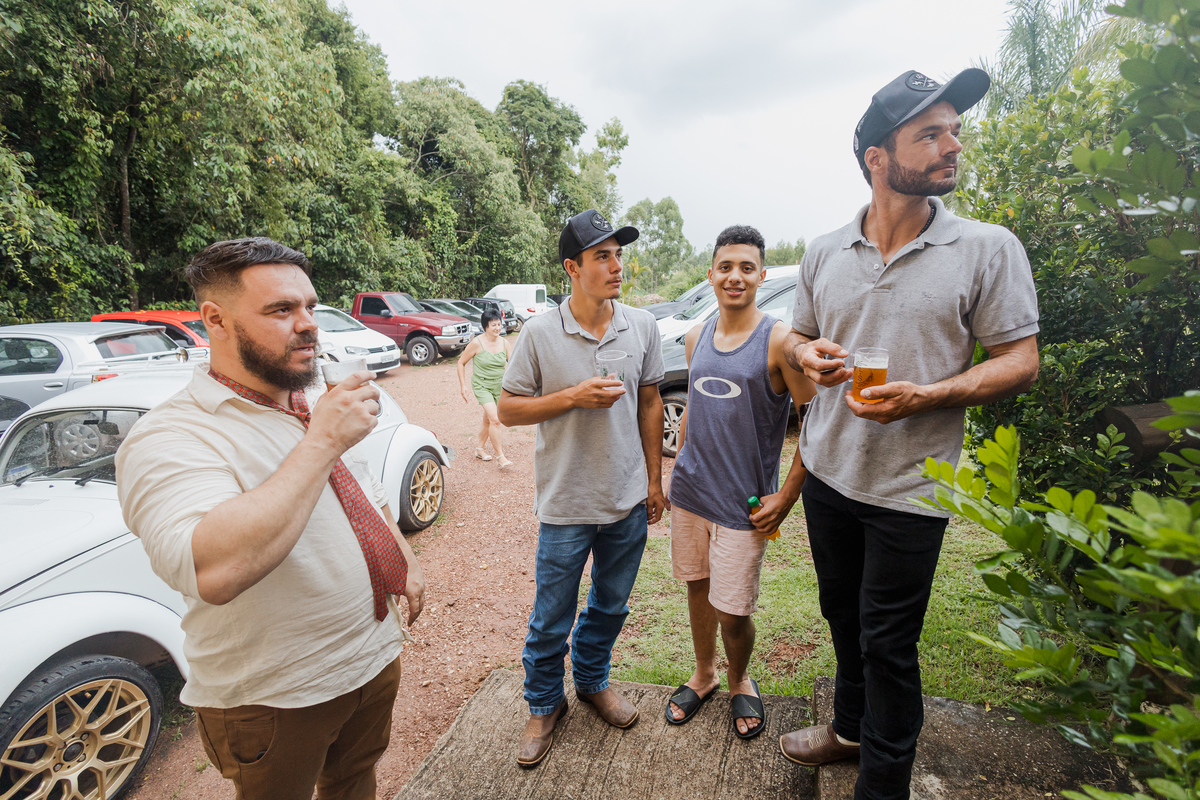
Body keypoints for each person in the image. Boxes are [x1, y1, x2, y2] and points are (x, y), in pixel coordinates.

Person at [777, 69, 1040, 800]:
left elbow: (1021, 362)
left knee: (889, 645)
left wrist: (931, 394)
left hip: (912, 489)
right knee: (841, 618)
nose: (952, 145)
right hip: (829, 475)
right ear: (876, 158)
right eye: (931, 133)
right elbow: (797, 337)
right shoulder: (826, 251)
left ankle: (882, 785)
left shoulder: (988, 249)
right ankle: (849, 730)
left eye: (955, 130)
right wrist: (806, 354)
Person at [116, 238, 426, 800]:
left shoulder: (310, 402)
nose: (307, 324)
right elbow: (214, 569)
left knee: (355, 782)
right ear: (217, 320)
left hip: (370, 656)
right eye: (281, 310)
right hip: (275, 694)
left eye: (309, 306)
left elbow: (361, 486)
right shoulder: (170, 436)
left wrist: (403, 558)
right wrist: (322, 441)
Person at [498, 209, 667, 767]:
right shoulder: (541, 333)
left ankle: (592, 682)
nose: (617, 266)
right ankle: (545, 705)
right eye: (603, 256)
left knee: (611, 606)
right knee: (551, 615)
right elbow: (508, 410)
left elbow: (650, 402)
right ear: (572, 267)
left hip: (626, 500)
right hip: (567, 502)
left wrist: (653, 481)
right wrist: (571, 397)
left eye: (619, 254)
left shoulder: (640, 326)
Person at [664, 224, 815, 738]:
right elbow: (695, 408)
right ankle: (704, 675)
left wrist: (786, 497)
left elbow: (812, 421)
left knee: (733, 610)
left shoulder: (777, 342)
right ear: (711, 274)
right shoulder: (693, 337)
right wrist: (676, 465)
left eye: (746, 267)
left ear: (761, 275)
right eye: (726, 267)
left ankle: (738, 678)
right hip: (690, 495)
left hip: (744, 505)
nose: (735, 276)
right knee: (697, 589)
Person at [457, 307, 514, 467]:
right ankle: (500, 457)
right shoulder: (477, 343)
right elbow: (461, 363)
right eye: (493, 325)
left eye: (499, 324)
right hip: (482, 385)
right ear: (485, 327)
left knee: (488, 419)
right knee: (496, 420)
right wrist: (463, 386)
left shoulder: (505, 343)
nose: (497, 328)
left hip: (499, 386)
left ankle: (479, 449)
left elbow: (514, 366)